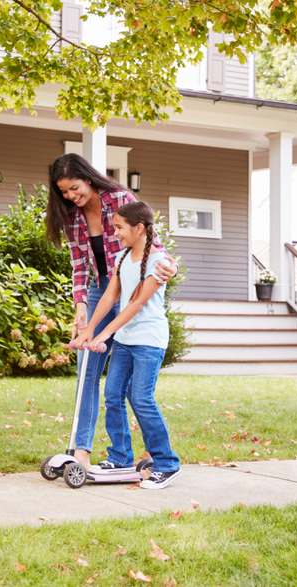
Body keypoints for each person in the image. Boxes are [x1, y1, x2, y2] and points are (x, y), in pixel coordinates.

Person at [45, 153, 176, 470]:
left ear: (87, 178)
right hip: (100, 290)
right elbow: (79, 265)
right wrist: (81, 306)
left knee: (130, 390)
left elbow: (149, 242)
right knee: (88, 372)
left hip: (130, 285)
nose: (71, 196)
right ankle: (82, 451)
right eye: (63, 191)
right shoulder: (71, 216)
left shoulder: (119, 199)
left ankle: (153, 457)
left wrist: (168, 264)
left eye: (75, 188)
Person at [75, 201, 182, 489]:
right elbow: (110, 297)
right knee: (112, 395)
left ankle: (167, 463)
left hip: (149, 340)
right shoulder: (122, 258)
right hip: (125, 340)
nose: (115, 232)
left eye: (120, 228)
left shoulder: (159, 262)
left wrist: (103, 334)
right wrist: (89, 331)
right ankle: (120, 456)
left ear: (138, 228)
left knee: (141, 398)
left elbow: (137, 303)